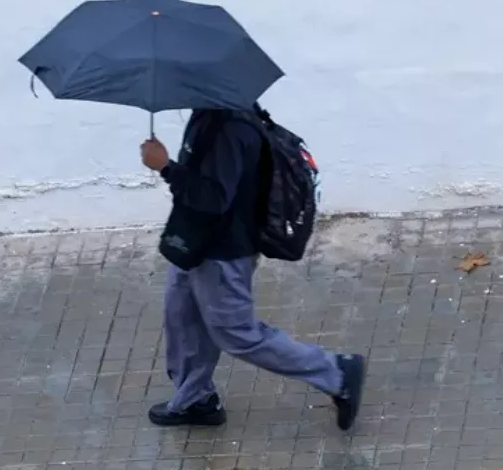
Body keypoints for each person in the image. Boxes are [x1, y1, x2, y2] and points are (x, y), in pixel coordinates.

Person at [139, 108, 366, 430]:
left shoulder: (229, 129)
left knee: (236, 333)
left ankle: (336, 372)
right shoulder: (210, 112)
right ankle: (196, 399)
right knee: (183, 315)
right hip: (194, 240)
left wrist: (165, 167)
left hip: (223, 251)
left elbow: (213, 199)